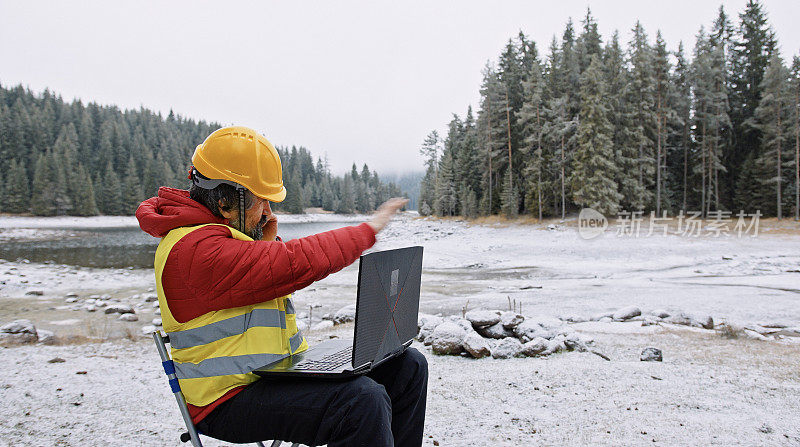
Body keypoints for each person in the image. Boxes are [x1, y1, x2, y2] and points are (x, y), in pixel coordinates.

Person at [136, 126, 428, 447]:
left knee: (409, 367)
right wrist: (366, 231)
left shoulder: (223, 238)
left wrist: (262, 241)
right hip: (224, 399)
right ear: (224, 200)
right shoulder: (193, 249)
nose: (268, 211)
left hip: (273, 374)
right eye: (261, 201)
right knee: (359, 402)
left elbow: (262, 278)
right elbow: (293, 262)